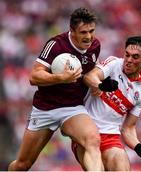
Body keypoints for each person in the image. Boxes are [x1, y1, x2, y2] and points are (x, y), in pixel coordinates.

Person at [8, 7, 104, 171]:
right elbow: (34, 76)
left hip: (73, 108)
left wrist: (95, 83)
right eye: (83, 32)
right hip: (45, 108)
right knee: (23, 165)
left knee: (93, 140)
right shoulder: (55, 45)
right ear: (72, 31)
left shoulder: (95, 46)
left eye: (91, 31)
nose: (88, 37)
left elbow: (89, 72)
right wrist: (60, 78)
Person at [71, 35, 141, 171]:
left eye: (135, 57)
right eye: (127, 55)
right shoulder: (114, 64)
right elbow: (89, 77)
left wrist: (137, 146)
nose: (128, 60)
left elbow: (128, 128)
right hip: (86, 131)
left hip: (111, 137)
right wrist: (100, 85)